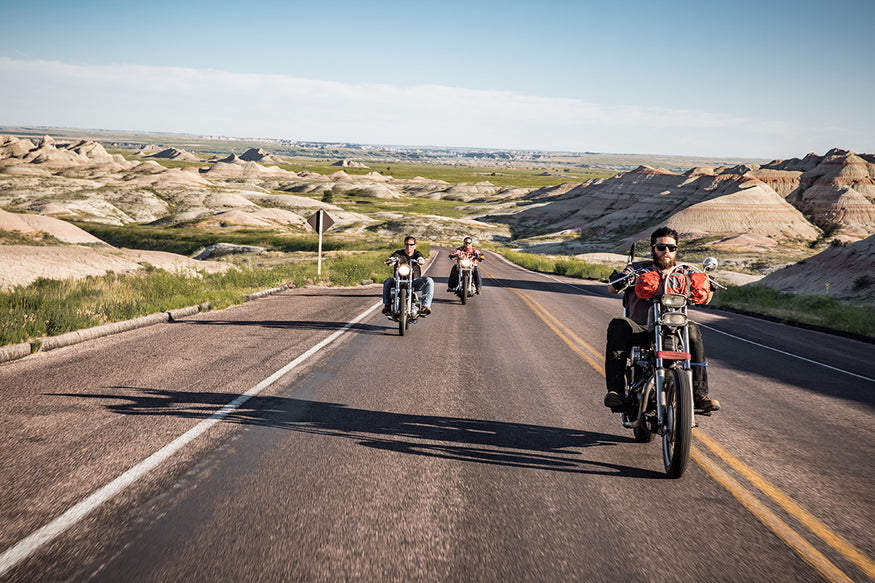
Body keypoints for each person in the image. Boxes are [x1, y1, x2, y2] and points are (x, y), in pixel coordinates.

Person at [603, 226, 720, 412]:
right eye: (661, 247)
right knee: (618, 325)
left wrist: (708, 285)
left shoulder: (686, 271)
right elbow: (613, 288)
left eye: (672, 248)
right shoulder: (637, 268)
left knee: (692, 329)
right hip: (641, 328)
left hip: (675, 330)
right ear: (652, 249)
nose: (667, 252)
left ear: (676, 250)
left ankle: (699, 394)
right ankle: (616, 391)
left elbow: (705, 299)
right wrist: (620, 280)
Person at [382, 235, 434, 316]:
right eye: (407, 244)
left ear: (414, 246)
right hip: (399, 281)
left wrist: (420, 261)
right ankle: (387, 306)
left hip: (414, 281)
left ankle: (425, 306)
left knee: (429, 281)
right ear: (404, 245)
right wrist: (390, 261)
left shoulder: (417, 253)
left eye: (411, 245)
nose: (408, 246)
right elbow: (393, 259)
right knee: (388, 280)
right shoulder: (399, 253)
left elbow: (421, 258)